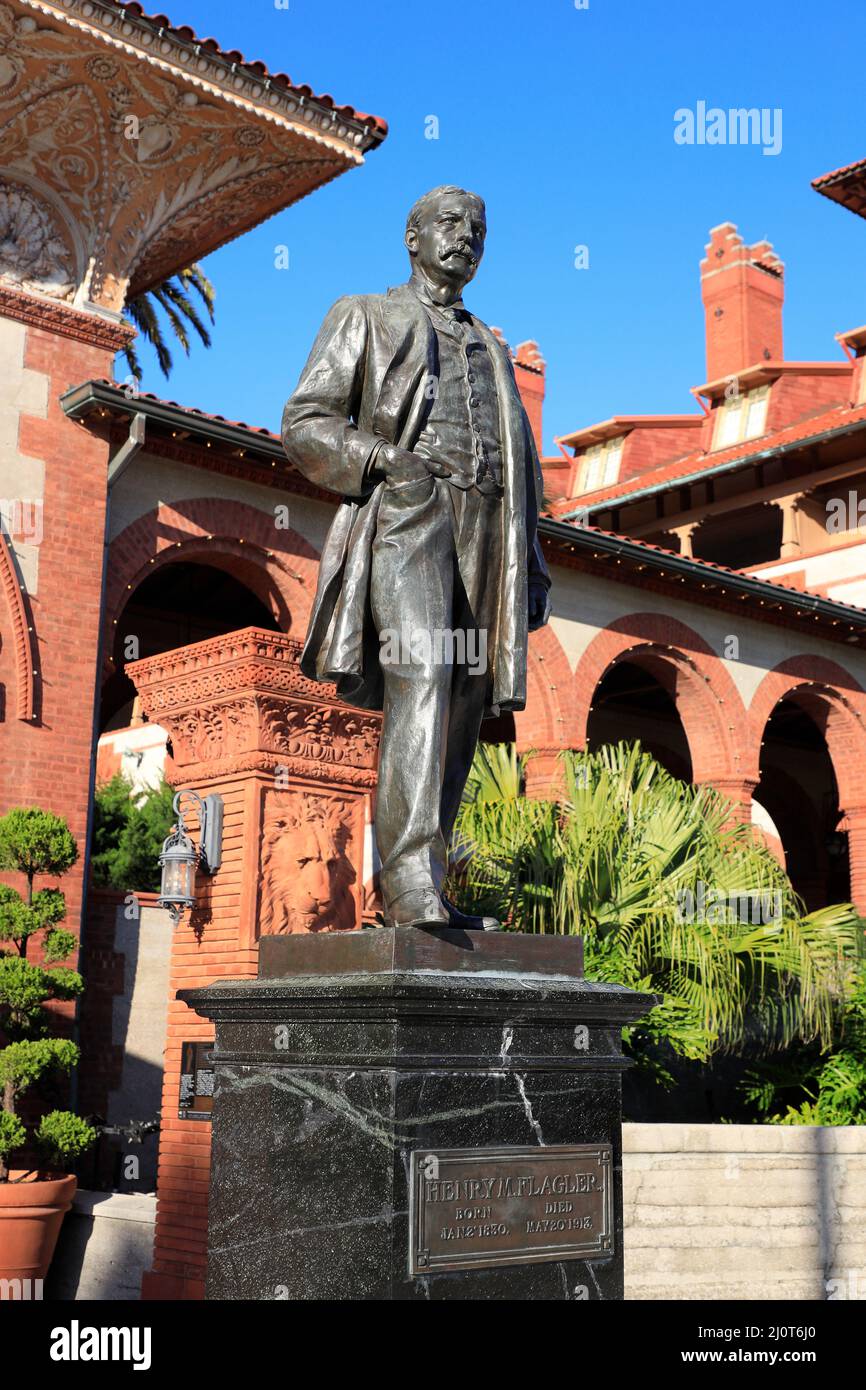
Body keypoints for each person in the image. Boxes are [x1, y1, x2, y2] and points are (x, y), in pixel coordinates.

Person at [282, 185, 551, 929]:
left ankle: (431, 879)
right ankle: (404, 879)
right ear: (412, 236)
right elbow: (305, 423)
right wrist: (385, 462)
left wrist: (528, 561)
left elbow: (523, 463)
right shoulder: (364, 314)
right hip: (411, 515)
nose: (466, 237)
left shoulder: (493, 347)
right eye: (450, 223)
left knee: (467, 695)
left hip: (487, 526)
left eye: (479, 229)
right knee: (424, 667)